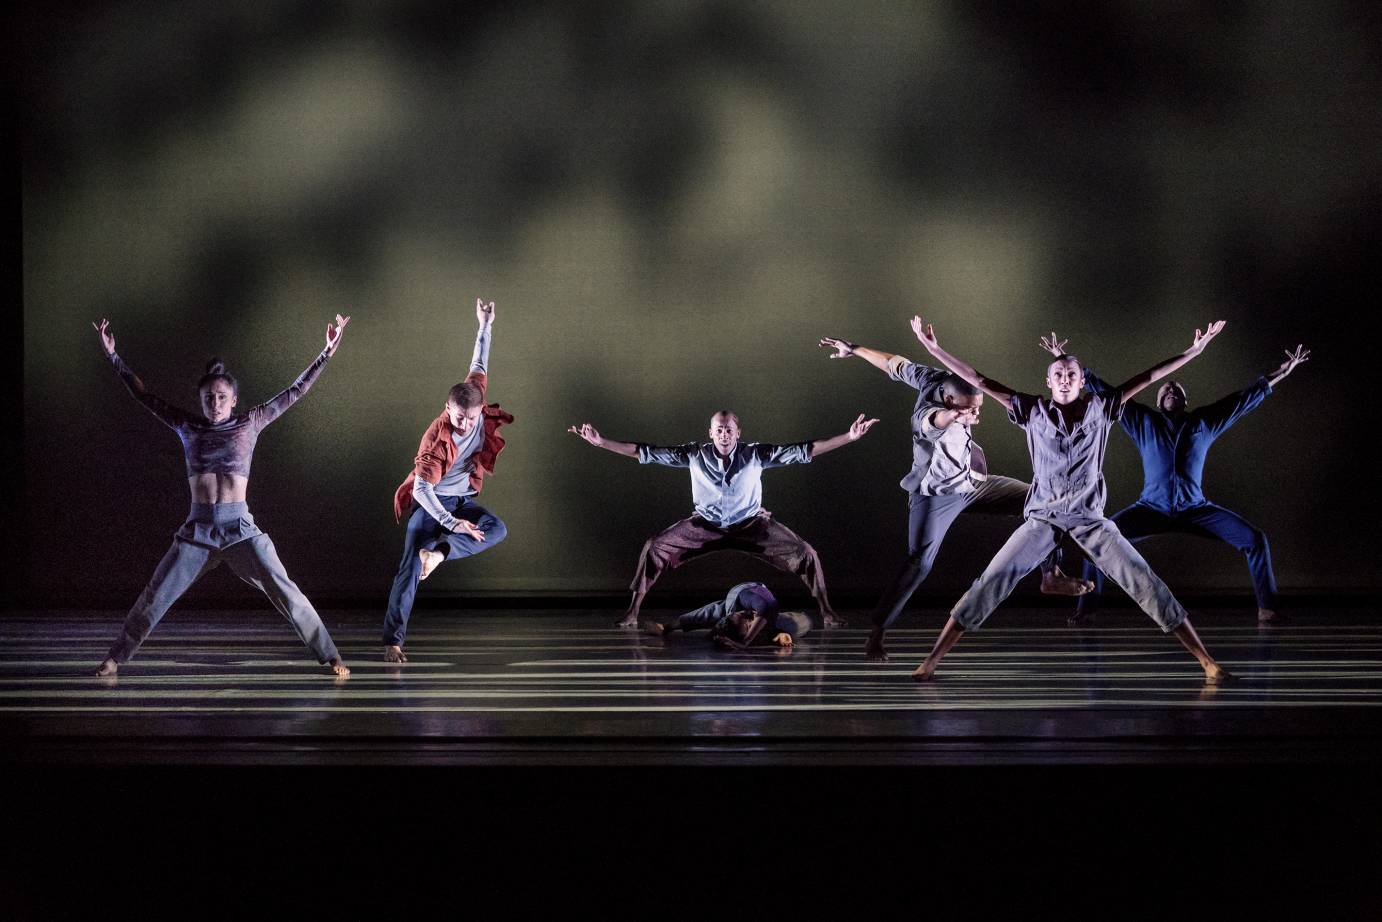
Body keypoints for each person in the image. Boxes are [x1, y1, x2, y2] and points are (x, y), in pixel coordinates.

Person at [905, 315, 1234, 684]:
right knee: (991, 580)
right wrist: (933, 348)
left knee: (1143, 579)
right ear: (1048, 381)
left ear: (1082, 381)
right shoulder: (1031, 409)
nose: (1064, 379)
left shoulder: (1103, 407)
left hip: (1088, 519)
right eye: (1058, 374)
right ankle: (931, 660)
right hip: (1042, 519)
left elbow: (1150, 377)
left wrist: (1195, 350)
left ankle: (1208, 663)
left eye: (1072, 375)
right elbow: (979, 380)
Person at [92, 316, 351, 677]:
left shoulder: (251, 422)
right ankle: (115, 658)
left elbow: (296, 391)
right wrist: (113, 357)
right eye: (208, 398)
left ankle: (332, 656)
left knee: (285, 590)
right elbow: (144, 396)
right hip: (197, 530)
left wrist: (326, 352)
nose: (215, 403)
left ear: (234, 400)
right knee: (156, 594)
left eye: (221, 397)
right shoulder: (187, 426)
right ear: (201, 400)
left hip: (240, 529)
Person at [817, 333, 1093, 662]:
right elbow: (933, 421)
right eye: (970, 412)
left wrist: (856, 349)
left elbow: (893, 364)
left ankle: (1050, 575)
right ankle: (877, 633)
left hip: (972, 483)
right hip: (935, 495)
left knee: (1042, 499)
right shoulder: (929, 418)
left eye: (978, 408)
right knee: (919, 563)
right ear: (950, 404)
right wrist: (953, 418)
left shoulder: (932, 377)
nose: (976, 416)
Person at [1035, 332, 1310, 625]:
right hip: (1152, 509)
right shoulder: (1143, 421)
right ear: (1157, 401)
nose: (1170, 390)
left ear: (1184, 400)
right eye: (1165, 389)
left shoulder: (1203, 422)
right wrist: (1067, 366)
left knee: (1255, 539)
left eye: (1176, 389)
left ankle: (1267, 608)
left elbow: (1242, 400)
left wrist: (1280, 373)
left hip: (1196, 509)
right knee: (1096, 541)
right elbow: (1108, 393)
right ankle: (1086, 609)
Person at [568, 410, 879, 629]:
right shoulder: (693, 454)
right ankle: (632, 612)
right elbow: (645, 452)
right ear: (710, 433)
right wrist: (601, 443)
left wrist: (849, 438)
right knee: (654, 547)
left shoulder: (756, 453)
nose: (724, 434)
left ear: (738, 433)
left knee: (806, 553)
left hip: (751, 526)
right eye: (719, 429)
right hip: (705, 525)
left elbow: (804, 450)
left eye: (729, 429)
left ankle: (827, 612)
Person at [383, 298, 513, 663]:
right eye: (459, 419)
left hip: (462, 499)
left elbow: (479, 363)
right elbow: (423, 489)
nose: (466, 426)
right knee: (409, 566)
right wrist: (452, 523)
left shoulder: (474, 400)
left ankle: (439, 555)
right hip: (433, 503)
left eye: (471, 420)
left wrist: (484, 325)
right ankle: (393, 642)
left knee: (496, 529)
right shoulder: (434, 441)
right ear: (447, 409)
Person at [643, 581, 811, 650]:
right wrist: (783, 637)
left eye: (744, 617)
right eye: (748, 622)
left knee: (713, 613)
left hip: (742, 593)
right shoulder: (759, 621)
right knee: (798, 625)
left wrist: (667, 627)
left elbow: (701, 615)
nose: (750, 615)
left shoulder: (751, 606)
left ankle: (669, 626)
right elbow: (775, 635)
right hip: (745, 613)